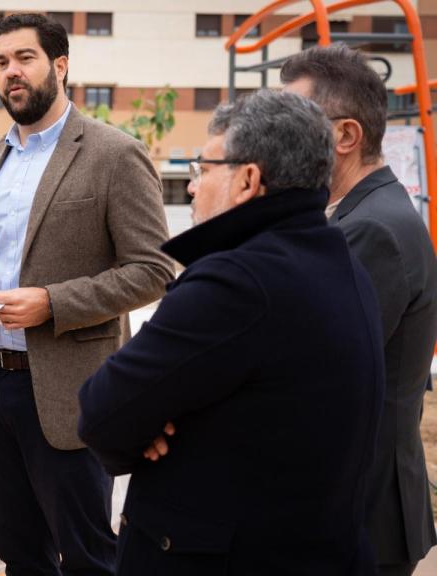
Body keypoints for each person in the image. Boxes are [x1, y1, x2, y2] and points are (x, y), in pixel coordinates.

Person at [78, 90, 384, 575]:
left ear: (247, 179)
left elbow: (101, 411)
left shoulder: (236, 281)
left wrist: (143, 427)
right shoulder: (340, 259)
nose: (193, 189)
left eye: (203, 170)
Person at [0, 12, 174, 574]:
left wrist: (53, 302)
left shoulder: (114, 154)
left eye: (24, 58)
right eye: (1, 63)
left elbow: (154, 268)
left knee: (90, 556)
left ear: (60, 65)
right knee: (18, 552)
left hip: (74, 393)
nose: (11, 73)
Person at [281, 45, 437, 576]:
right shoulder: (360, 214)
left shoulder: (370, 229)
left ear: (346, 136)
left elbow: (309, 372)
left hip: (360, 513)